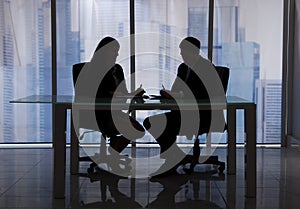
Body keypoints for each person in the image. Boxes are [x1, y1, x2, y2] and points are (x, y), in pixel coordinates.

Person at [143, 37, 221, 176]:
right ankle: (175, 156)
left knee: (165, 125)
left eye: (183, 51)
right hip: (183, 113)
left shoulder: (207, 68)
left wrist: (179, 95)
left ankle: (172, 161)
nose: (181, 54)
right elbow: (177, 89)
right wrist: (168, 94)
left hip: (203, 116)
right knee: (150, 122)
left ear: (194, 52)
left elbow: (203, 95)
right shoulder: (183, 68)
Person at [75, 36, 146, 155]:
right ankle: (113, 153)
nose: (116, 54)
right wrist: (114, 94)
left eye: (117, 51)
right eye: (114, 51)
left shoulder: (117, 69)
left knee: (138, 130)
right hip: (96, 114)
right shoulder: (92, 69)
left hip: (114, 112)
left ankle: (114, 150)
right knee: (134, 130)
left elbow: (123, 93)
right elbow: (92, 93)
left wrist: (132, 94)